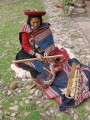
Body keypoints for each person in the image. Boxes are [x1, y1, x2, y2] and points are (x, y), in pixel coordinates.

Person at [11, 10, 90, 118]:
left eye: (38, 22)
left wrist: (46, 52)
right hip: (28, 53)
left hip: (42, 52)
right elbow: (25, 46)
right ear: (29, 22)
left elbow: (49, 43)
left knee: (52, 61)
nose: (36, 25)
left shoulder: (44, 27)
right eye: (33, 23)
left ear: (41, 21)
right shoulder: (25, 30)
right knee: (41, 66)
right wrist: (35, 54)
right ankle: (48, 77)